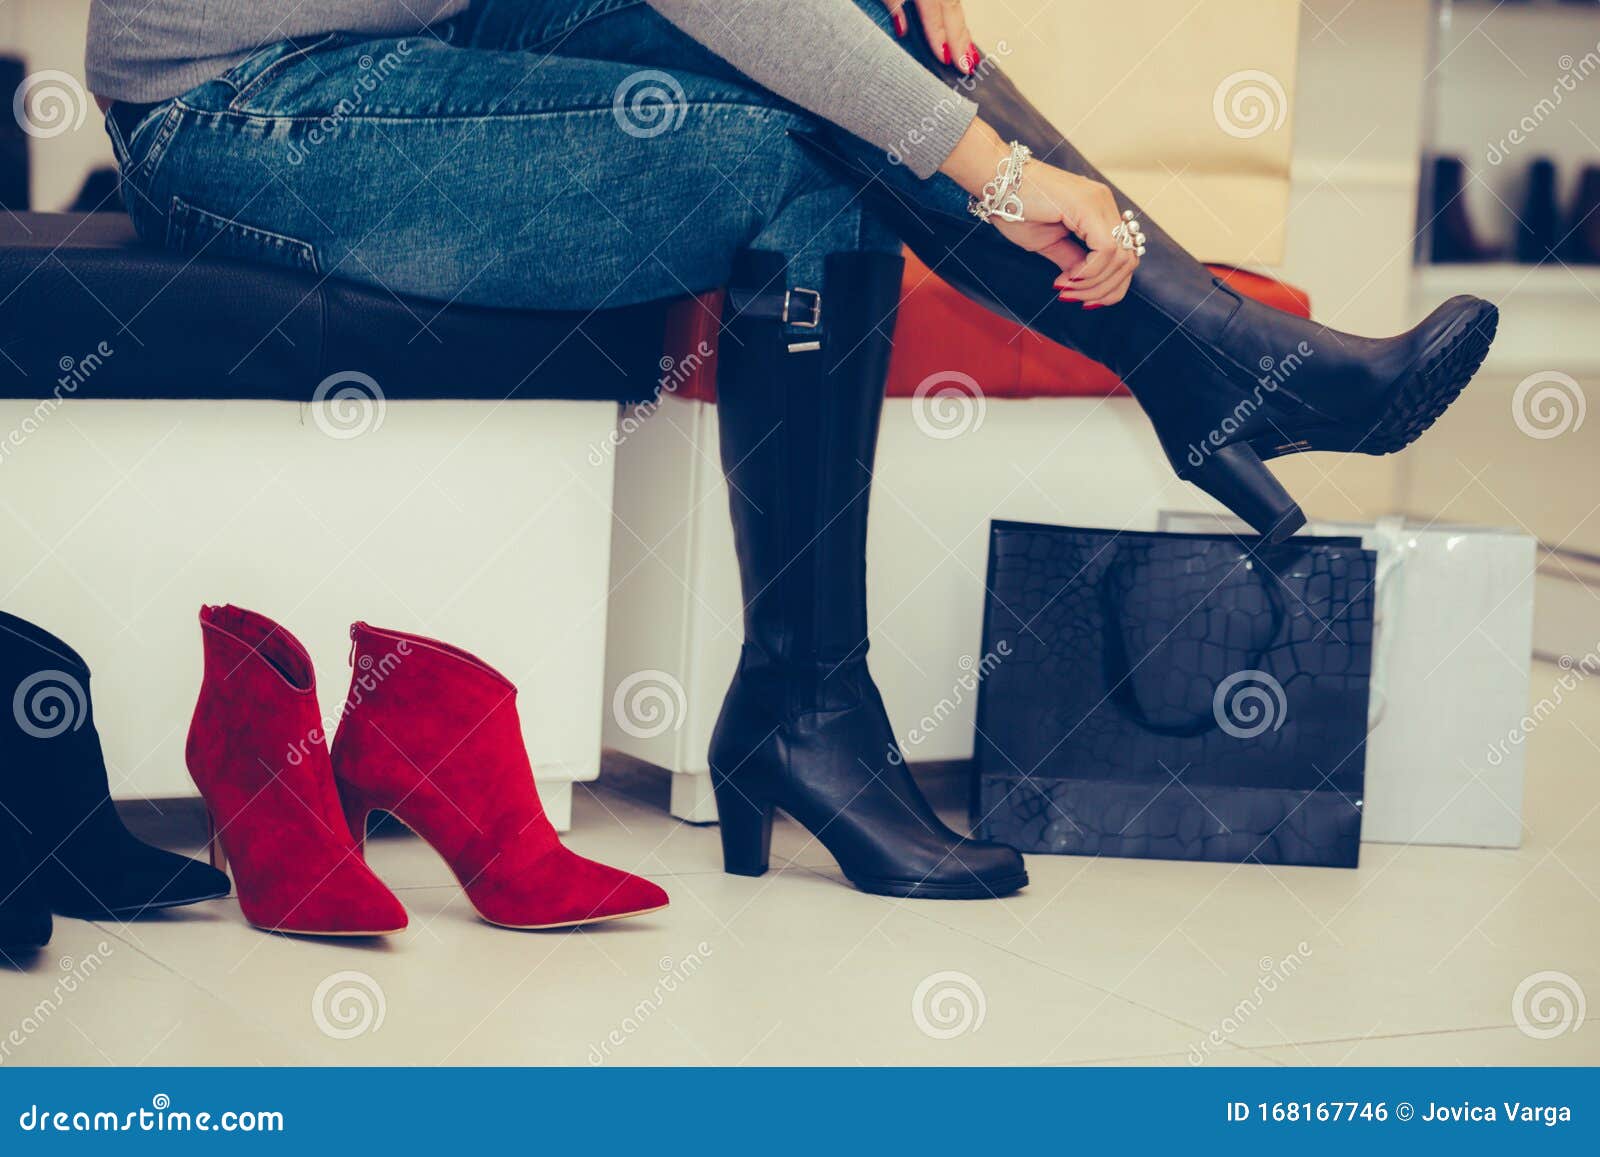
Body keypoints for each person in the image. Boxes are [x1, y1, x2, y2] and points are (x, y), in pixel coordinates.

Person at [86, 0, 1495, 902]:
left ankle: (1212, 375)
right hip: (238, 105)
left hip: (422, 29)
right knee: (800, 151)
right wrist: (998, 173)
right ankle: (1214, 382)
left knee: (868, 39)